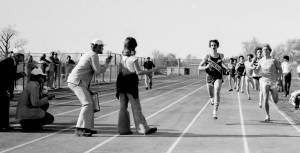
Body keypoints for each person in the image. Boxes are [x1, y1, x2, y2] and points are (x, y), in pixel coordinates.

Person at [67, 39, 112, 137]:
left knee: (90, 103)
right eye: (101, 46)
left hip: (78, 81)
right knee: (87, 103)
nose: (102, 48)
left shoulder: (89, 54)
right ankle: (80, 129)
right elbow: (98, 71)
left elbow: (95, 69)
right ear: (95, 46)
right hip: (77, 81)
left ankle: (87, 128)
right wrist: (107, 63)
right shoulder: (93, 55)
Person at [116, 37, 157, 135]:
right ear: (133, 47)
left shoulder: (121, 59)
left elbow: (119, 73)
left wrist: (117, 89)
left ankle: (123, 129)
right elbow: (139, 72)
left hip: (121, 85)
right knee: (136, 108)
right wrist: (151, 71)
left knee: (123, 108)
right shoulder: (133, 59)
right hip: (131, 86)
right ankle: (143, 129)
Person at [198, 39, 228, 119]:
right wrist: (206, 66)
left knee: (217, 90)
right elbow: (199, 67)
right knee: (211, 95)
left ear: (217, 46)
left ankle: (215, 111)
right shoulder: (207, 56)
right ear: (210, 46)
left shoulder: (221, 55)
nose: (213, 47)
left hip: (218, 76)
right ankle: (211, 98)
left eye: (215, 45)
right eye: (212, 45)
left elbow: (223, 63)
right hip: (209, 77)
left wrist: (226, 67)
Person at [254, 44, 282, 122]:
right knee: (265, 98)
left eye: (266, 50)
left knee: (275, 101)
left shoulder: (274, 60)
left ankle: (274, 96)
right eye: (263, 50)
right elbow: (256, 71)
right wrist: (254, 69)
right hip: (264, 80)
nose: (264, 51)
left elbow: (280, 69)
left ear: (270, 51)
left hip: (273, 81)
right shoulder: (261, 61)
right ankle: (267, 115)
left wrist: (279, 79)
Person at [0, 48, 26, 131]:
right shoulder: (8, 62)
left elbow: (10, 77)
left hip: (4, 87)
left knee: (5, 106)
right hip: (1, 87)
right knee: (2, 107)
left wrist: (11, 92)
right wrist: (20, 74)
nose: (23, 59)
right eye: (22, 56)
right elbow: (9, 76)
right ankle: (2, 126)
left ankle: (5, 125)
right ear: (18, 56)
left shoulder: (13, 62)